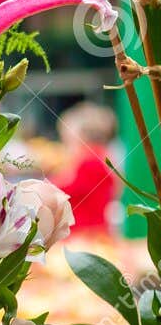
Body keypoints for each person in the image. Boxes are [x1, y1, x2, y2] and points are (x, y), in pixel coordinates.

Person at [52, 101, 118, 237]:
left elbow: (61, 191)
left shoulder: (91, 161)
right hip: (89, 234)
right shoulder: (97, 156)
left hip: (86, 235)